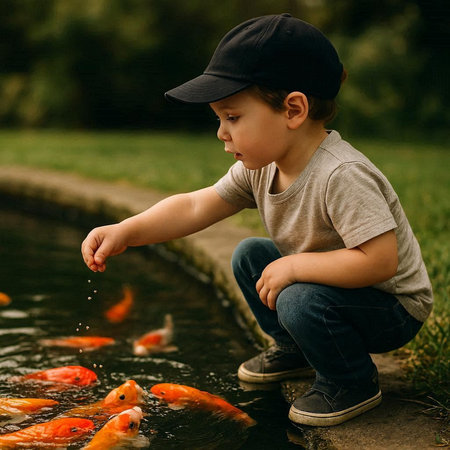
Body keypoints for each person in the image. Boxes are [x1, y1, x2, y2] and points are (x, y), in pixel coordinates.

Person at [81, 14, 433, 426]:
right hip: (333, 291)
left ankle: (351, 381)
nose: (220, 133)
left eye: (232, 117)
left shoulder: (342, 175)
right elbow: (196, 206)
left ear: (293, 109)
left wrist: (296, 266)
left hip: (389, 306)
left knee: (297, 296)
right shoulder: (262, 167)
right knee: (250, 255)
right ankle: (297, 349)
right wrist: (126, 230)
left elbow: (380, 261)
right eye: (219, 119)